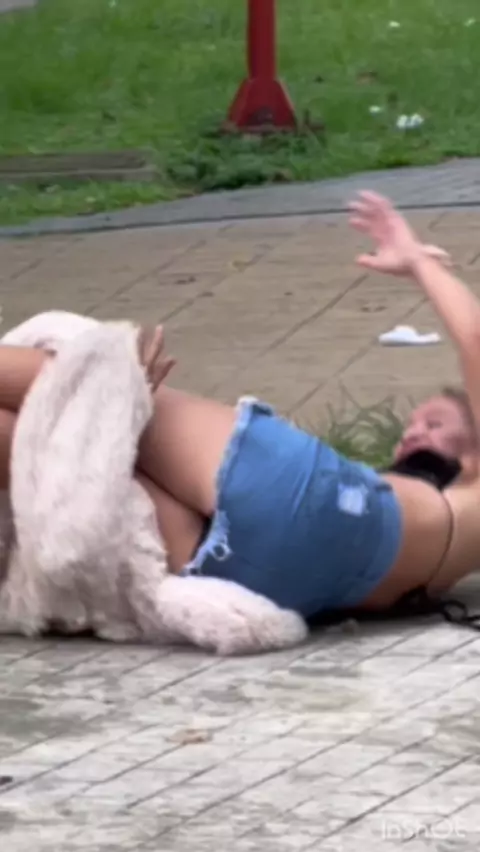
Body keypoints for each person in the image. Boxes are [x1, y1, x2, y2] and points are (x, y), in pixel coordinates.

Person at [1, 192, 480, 621]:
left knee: (98, 382)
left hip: (299, 494)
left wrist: (419, 262)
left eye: (437, 422)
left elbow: (475, 339)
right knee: (48, 451)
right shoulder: (443, 558)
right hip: (253, 579)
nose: (414, 431)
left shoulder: (457, 500)